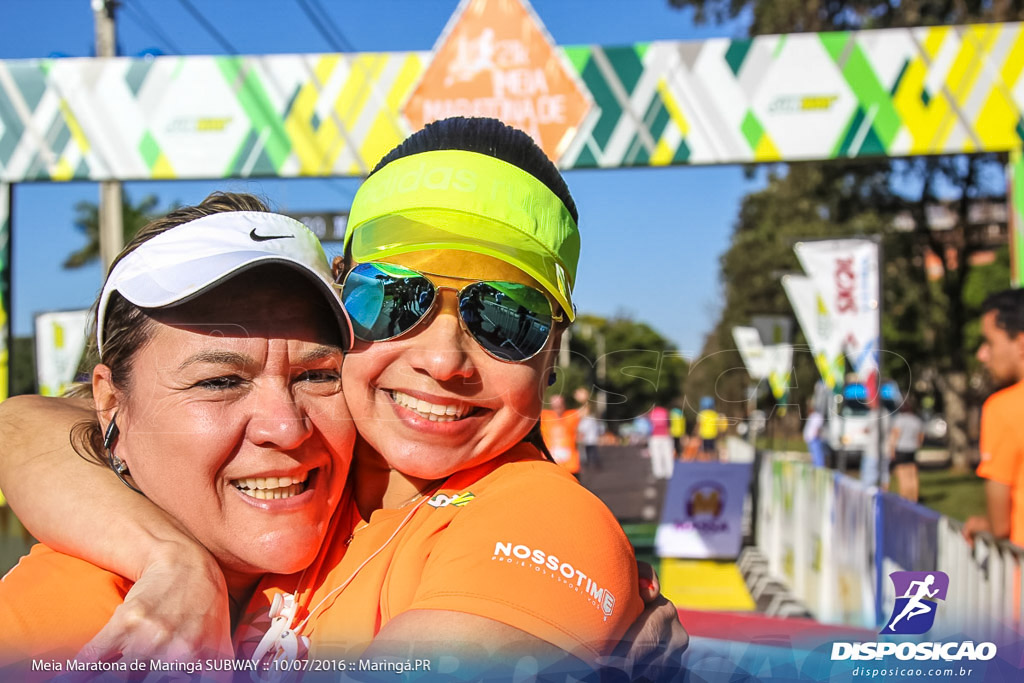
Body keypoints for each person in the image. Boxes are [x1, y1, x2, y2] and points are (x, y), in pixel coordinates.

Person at [0, 119, 686, 675]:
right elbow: (29, 423)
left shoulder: (537, 518)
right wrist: (166, 558)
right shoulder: (289, 498)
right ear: (343, 298)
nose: (443, 359)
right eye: (394, 299)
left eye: (508, 318)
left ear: (554, 354)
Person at [0, 194, 356, 663]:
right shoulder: (45, 631)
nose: (286, 428)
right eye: (220, 381)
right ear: (111, 405)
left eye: (318, 375)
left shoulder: (403, 505)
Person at [963, 288, 1024, 547]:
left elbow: (1000, 526)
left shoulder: (1003, 408)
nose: (982, 354)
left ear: (1021, 343)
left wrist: (981, 525)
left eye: (989, 342)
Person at [888, 397, 924, 502]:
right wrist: (917, 444)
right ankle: (914, 497)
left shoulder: (899, 420)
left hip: (901, 449)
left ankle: (905, 498)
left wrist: (892, 450)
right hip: (912, 449)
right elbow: (921, 436)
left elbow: (895, 435)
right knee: (912, 474)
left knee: (903, 475)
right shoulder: (916, 420)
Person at [540, 394, 583, 477]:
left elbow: (586, 411)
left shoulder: (571, 416)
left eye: (560, 406)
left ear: (564, 405)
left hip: (570, 465)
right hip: (551, 464)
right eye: (555, 406)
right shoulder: (546, 416)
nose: (557, 409)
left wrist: (582, 400)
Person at [575, 387, 602, 469]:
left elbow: (582, 414)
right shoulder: (587, 406)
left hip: (589, 428)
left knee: (591, 447)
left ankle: (593, 463)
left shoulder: (588, 407)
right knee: (588, 447)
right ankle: (591, 462)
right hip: (588, 429)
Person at [648, 405, 674, 480]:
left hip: (655, 437)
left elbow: (650, 426)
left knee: (656, 456)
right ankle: (669, 472)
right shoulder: (665, 412)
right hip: (665, 436)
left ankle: (658, 473)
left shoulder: (652, 413)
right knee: (667, 455)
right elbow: (669, 424)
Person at [803, 398, 827, 468]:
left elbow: (817, 428)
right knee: (815, 457)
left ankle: (819, 470)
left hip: (814, 439)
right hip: (812, 439)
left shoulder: (817, 416)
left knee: (817, 458)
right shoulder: (814, 416)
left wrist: (816, 436)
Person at [696, 396, 720, 461]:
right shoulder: (715, 414)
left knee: (704, 450)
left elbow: (699, 425)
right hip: (713, 434)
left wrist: (697, 433)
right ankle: (713, 461)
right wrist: (718, 433)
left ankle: (705, 461)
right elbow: (717, 426)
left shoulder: (702, 414)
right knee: (712, 449)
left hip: (704, 434)